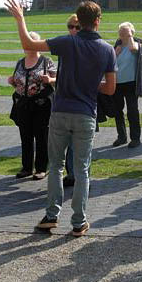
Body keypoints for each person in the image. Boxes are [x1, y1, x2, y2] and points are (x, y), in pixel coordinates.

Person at [5, 0, 116, 237]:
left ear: (79, 19)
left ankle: (51, 215)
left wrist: (20, 18)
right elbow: (110, 89)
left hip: (60, 111)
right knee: (82, 169)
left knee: (55, 166)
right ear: (98, 21)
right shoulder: (107, 49)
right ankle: (78, 221)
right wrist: (90, 84)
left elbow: (28, 42)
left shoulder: (67, 42)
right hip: (86, 113)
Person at [9, 31, 57, 180]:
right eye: (26, 43)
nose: (28, 46)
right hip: (23, 105)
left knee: (42, 136)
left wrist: (49, 79)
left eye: (32, 42)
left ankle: (42, 168)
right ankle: (26, 168)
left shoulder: (46, 61)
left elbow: (57, 78)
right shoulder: (20, 62)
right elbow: (19, 80)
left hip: (41, 105)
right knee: (25, 136)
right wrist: (12, 81)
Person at [112, 22, 142, 148]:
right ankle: (122, 137)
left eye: (124, 32)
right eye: (120, 32)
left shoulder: (136, 44)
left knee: (132, 111)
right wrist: (116, 53)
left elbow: (133, 49)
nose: (122, 35)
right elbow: (111, 62)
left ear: (131, 33)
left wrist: (130, 36)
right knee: (117, 111)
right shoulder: (117, 46)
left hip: (131, 83)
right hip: (117, 83)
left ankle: (135, 138)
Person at [62, 14, 81, 187]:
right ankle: (71, 174)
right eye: (70, 26)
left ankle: (79, 176)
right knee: (66, 142)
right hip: (64, 102)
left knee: (80, 144)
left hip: (82, 103)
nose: (73, 30)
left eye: (77, 27)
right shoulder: (65, 44)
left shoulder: (88, 46)